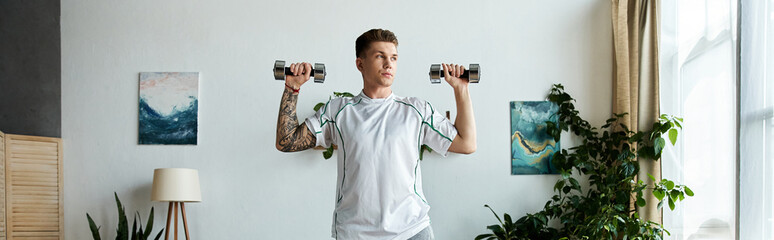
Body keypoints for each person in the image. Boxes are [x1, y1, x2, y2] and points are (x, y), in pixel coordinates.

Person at [275, 28, 477, 240]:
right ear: (360, 64)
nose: (389, 64)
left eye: (394, 58)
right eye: (380, 56)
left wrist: (461, 89)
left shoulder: (416, 110)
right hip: (354, 233)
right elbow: (287, 141)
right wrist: (292, 88)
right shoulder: (338, 111)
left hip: (411, 231)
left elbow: (466, 143)